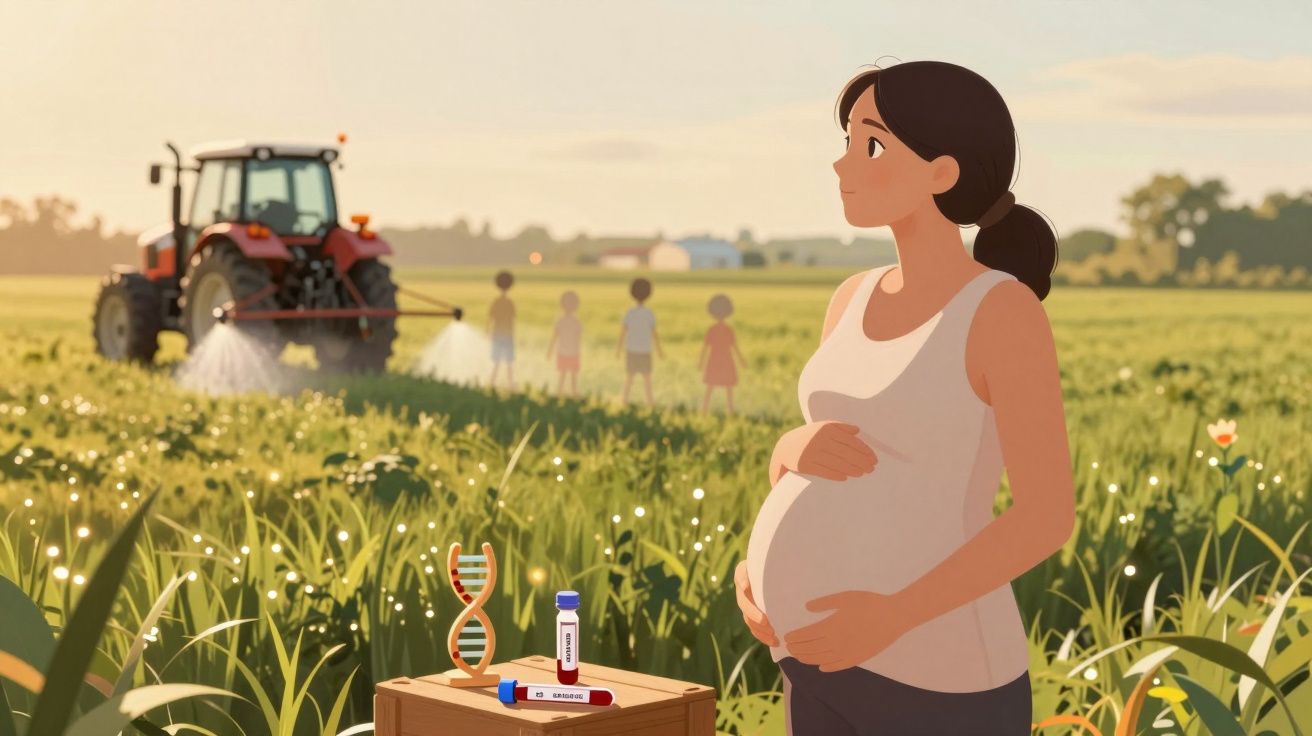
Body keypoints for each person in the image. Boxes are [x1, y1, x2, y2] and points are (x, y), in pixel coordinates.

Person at [736, 60, 1076, 735]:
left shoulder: (1000, 311)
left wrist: (892, 616)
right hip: (817, 662)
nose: (842, 166)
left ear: (941, 172)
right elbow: (843, 458)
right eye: (845, 143)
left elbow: (1046, 516)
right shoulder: (851, 297)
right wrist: (785, 458)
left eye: (871, 144)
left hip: (938, 679)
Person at [616, 277, 664, 406]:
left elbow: (623, 333)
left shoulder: (630, 313)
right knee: (647, 379)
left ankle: (624, 400)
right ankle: (650, 402)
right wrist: (659, 351)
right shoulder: (649, 314)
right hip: (645, 351)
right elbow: (654, 334)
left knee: (629, 378)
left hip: (631, 350)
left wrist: (618, 350)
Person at [699, 293, 744, 415]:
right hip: (726, 361)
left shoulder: (712, 329)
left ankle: (705, 410)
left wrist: (701, 362)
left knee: (710, 386)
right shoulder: (728, 329)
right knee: (728, 387)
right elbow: (734, 347)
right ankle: (730, 411)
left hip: (714, 361)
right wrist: (741, 360)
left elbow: (705, 348)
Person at [547, 290, 583, 397]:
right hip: (573, 352)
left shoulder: (559, 321)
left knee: (563, 373)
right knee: (573, 375)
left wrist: (550, 351)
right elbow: (578, 339)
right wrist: (579, 352)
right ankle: (574, 391)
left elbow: (554, 337)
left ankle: (560, 391)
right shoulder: (577, 322)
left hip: (562, 352)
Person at [487, 270, 516, 390]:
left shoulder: (496, 302)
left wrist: (487, 332)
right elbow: (512, 320)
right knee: (508, 361)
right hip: (506, 335)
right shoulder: (509, 303)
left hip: (498, 334)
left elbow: (490, 318)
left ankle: (493, 382)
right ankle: (509, 383)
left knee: (497, 361)